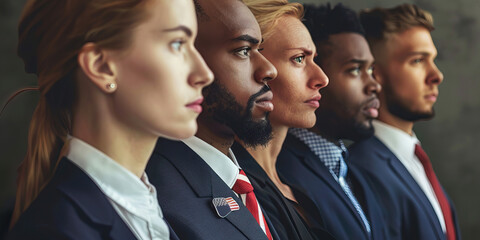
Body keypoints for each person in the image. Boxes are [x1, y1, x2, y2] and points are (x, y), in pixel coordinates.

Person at [7, 0, 213, 239]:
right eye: (177, 43)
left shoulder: (146, 210)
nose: (204, 74)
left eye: (193, 44)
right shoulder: (56, 231)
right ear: (101, 66)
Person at [145, 0, 281, 239]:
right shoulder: (159, 197)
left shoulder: (250, 180)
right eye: (242, 50)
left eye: (259, 49)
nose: (269, 69)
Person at [349, 4, 461, 240]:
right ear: (373, 73)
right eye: (418, 60)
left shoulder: (415, 158)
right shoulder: (363, 169)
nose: (436, 75)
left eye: (433, 59)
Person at [276, 3, 387, 240]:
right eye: (355, 69)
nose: (374, 85)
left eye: (371, 69)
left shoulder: (349, 168)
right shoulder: (281, 171)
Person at [231, 0, 334, 239]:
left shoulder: (297, 186)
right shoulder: (236, 191)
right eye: (298, 58)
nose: (322, 78)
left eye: (314, 58)